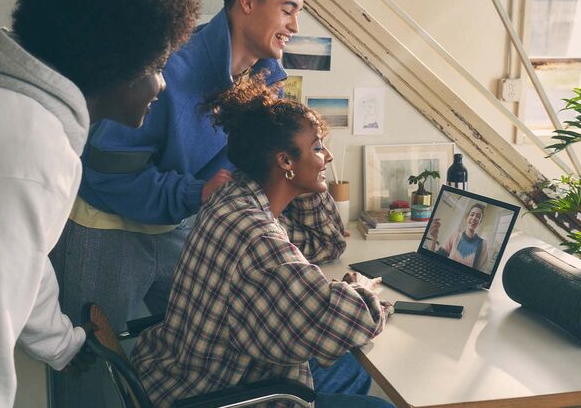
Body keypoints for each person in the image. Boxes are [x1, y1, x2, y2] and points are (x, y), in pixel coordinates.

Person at [48, 0, 324, 405]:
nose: (294, 25)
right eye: (287, 9)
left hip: (178, 227)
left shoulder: (268, 78)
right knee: (88, 378)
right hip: (106, 228)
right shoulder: (170, 65)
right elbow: (104, 172)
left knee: (199, 351)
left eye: (298, 12)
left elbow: (236, 174)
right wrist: (193, 194)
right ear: (247, 2)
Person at [0, 0, 198, 406]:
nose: (162, 84)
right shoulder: (29, 147)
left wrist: (60, 343)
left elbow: (21, 259)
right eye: (156, 66)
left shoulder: (4, 109)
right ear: (117, 63)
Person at [131, 78, 394, 408]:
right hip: (217, 393)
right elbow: (347, 320)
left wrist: (305, 181)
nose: (326, 156)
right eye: (316, 147)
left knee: (352, 370)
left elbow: (325, 243)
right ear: (284, 161)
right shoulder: (259, 239)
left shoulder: (236, 197)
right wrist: (365, 290)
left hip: (180, 373)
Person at [424, 203, 489, 270]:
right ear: (467, 217)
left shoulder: (483, 243)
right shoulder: (455, 236)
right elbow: (436, 259)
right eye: (472, 214)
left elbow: (480, 272)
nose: (474, 218)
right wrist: (434, 238)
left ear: (480, 221)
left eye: (478, 216)